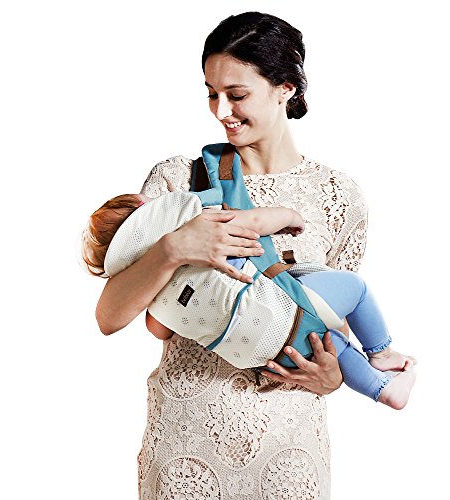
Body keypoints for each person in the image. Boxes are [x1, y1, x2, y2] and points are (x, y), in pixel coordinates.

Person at [91, 11, 415, 499]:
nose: (221, 110)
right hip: (188, 438)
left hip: (290, 446)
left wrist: (332, 379)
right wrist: (174, 248)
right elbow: (111, 317)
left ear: (285, 88)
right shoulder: (178, 182)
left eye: (236, 94)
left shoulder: (338, 196)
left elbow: (328, 327)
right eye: (211, 93)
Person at [83, 191, 416, 409]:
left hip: (260, 354)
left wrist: (332, 380)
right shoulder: (193, 218)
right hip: (283, 315)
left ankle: (385, 390)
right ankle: (381, 353)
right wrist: (289, 216)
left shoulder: (153, 294)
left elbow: (159, 330)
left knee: (329, 343)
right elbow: (254, 222)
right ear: (145, 208)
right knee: (355, 290)